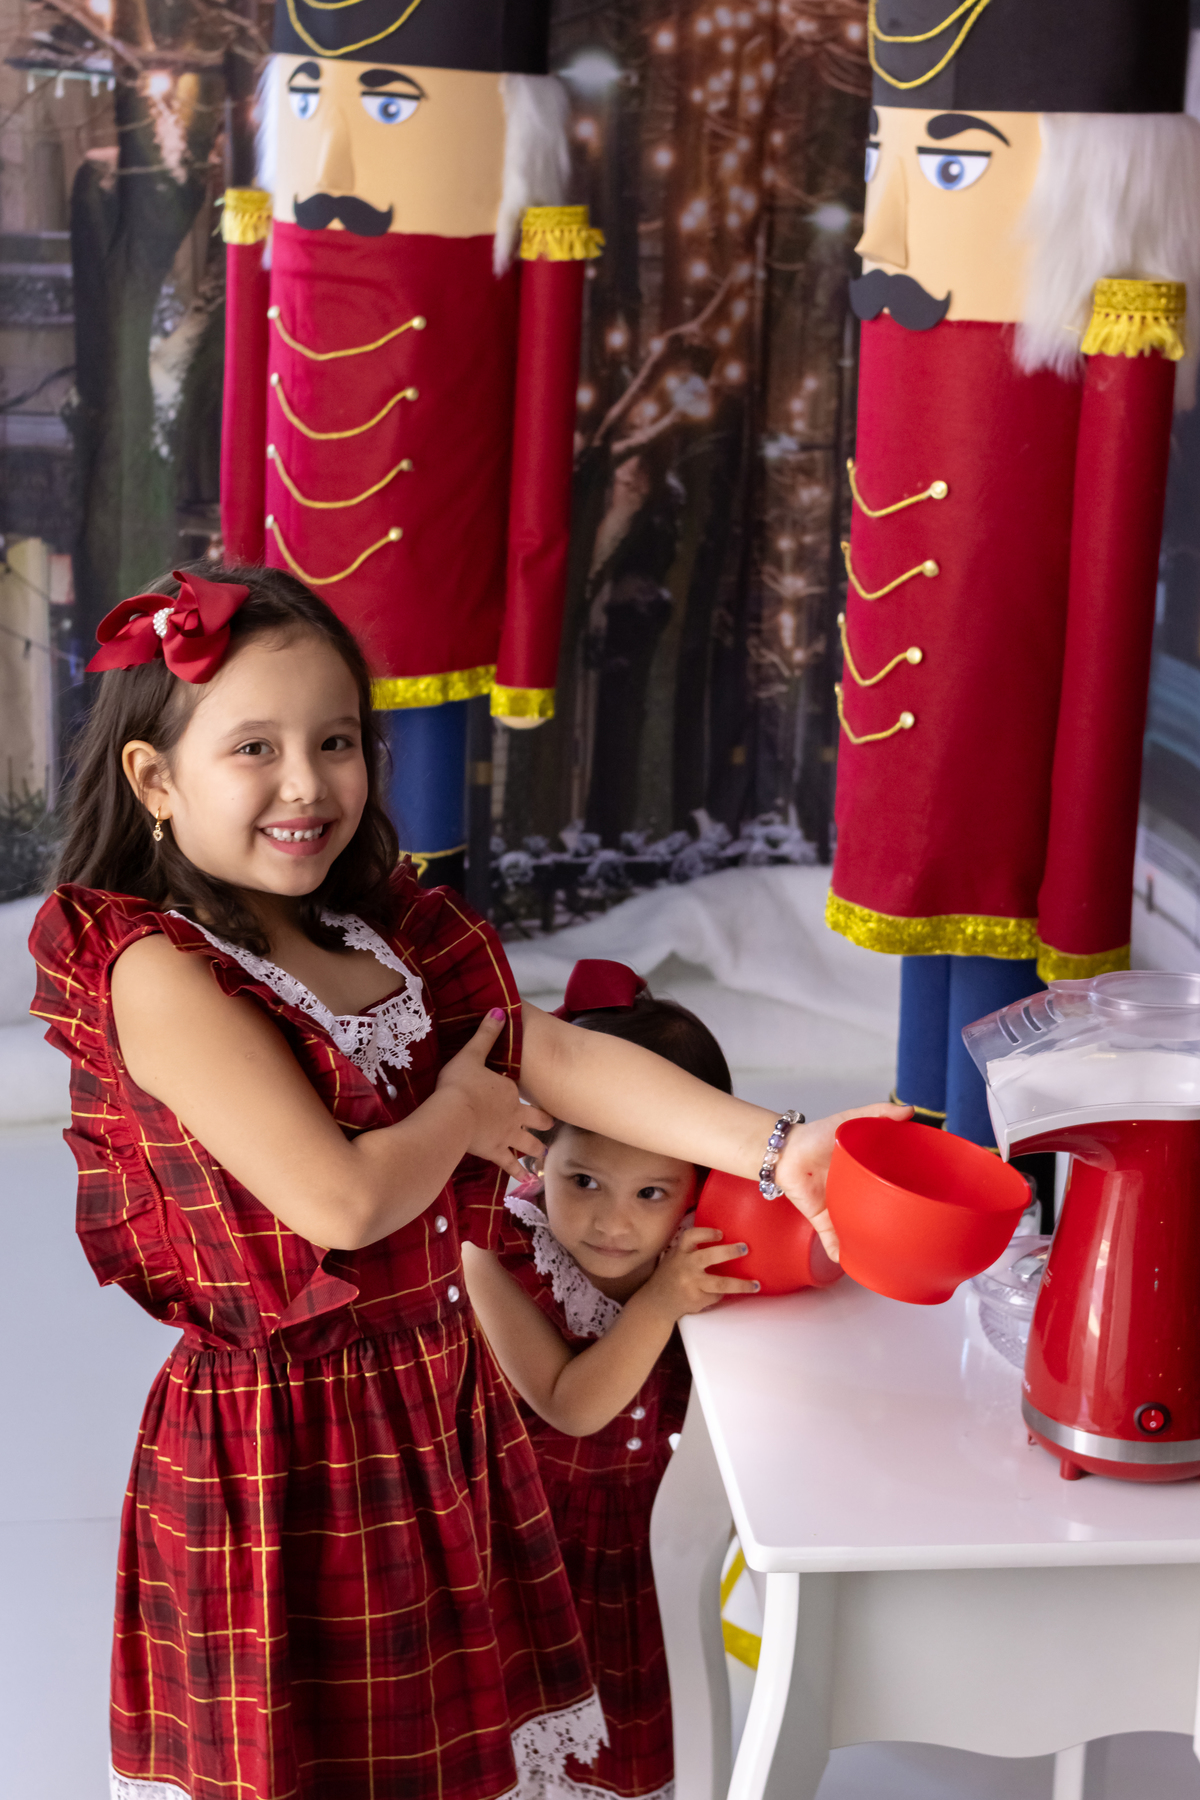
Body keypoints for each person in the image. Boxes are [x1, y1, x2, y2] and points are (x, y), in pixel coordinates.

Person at [30, 563, 904, 1800]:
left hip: (429, 1405)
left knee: (443, 1752)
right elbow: (340, 1200)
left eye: (337, 741)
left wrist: (775, 1146)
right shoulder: (156, 971)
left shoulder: (370, 927)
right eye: (255, 748)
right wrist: (462, 1110)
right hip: (284, 1447)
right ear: (157, 781)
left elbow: (546, 1049)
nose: (306, 783)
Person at [827, 0, 1200, 1144]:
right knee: (924, 899)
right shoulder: (914, 337)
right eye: (889, 157)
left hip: (1008, 704)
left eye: (944, 165)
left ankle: (982, 1174)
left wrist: (1083, 882)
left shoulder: (1117, 339)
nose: (876, 245)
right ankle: (918, 1125)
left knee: (982, 905)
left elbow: (1103, 620)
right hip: (914, 703)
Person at [463, 959, 750, 1800]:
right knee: (531, 1729)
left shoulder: (698, 1247)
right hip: (525, 1551)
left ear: (700, 1188)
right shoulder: (495, 1250)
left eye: (651, 1192)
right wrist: (660, 1302)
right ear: (537, 1156)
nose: (611, 1221)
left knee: (648, 1721)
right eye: (581, 1179)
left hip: (651, 1540)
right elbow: (570, 1402)